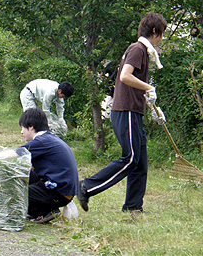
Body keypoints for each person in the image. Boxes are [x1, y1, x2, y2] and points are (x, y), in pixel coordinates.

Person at [77, 12, 167, 214]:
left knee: (140, 162)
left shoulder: (143, 51)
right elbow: (125, 76)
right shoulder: (138, 48)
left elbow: (133, 83)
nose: (162, 39)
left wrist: (153, 107)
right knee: (131, 158)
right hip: (125, 111)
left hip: (133, 111)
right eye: (161, 34)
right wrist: (149, 88)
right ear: (154, 31)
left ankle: (133, 207)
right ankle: (86, 187)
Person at [17, 107, 79, 223]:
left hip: (60, 192)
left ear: (31, 126)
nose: (21, 132)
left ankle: (44, 211)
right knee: (25, 175)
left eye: (22, 128)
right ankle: (42, 209)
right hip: (61, 187)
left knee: (18, 190)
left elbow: (16, 153)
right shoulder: (48, 138)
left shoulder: (41, 141)